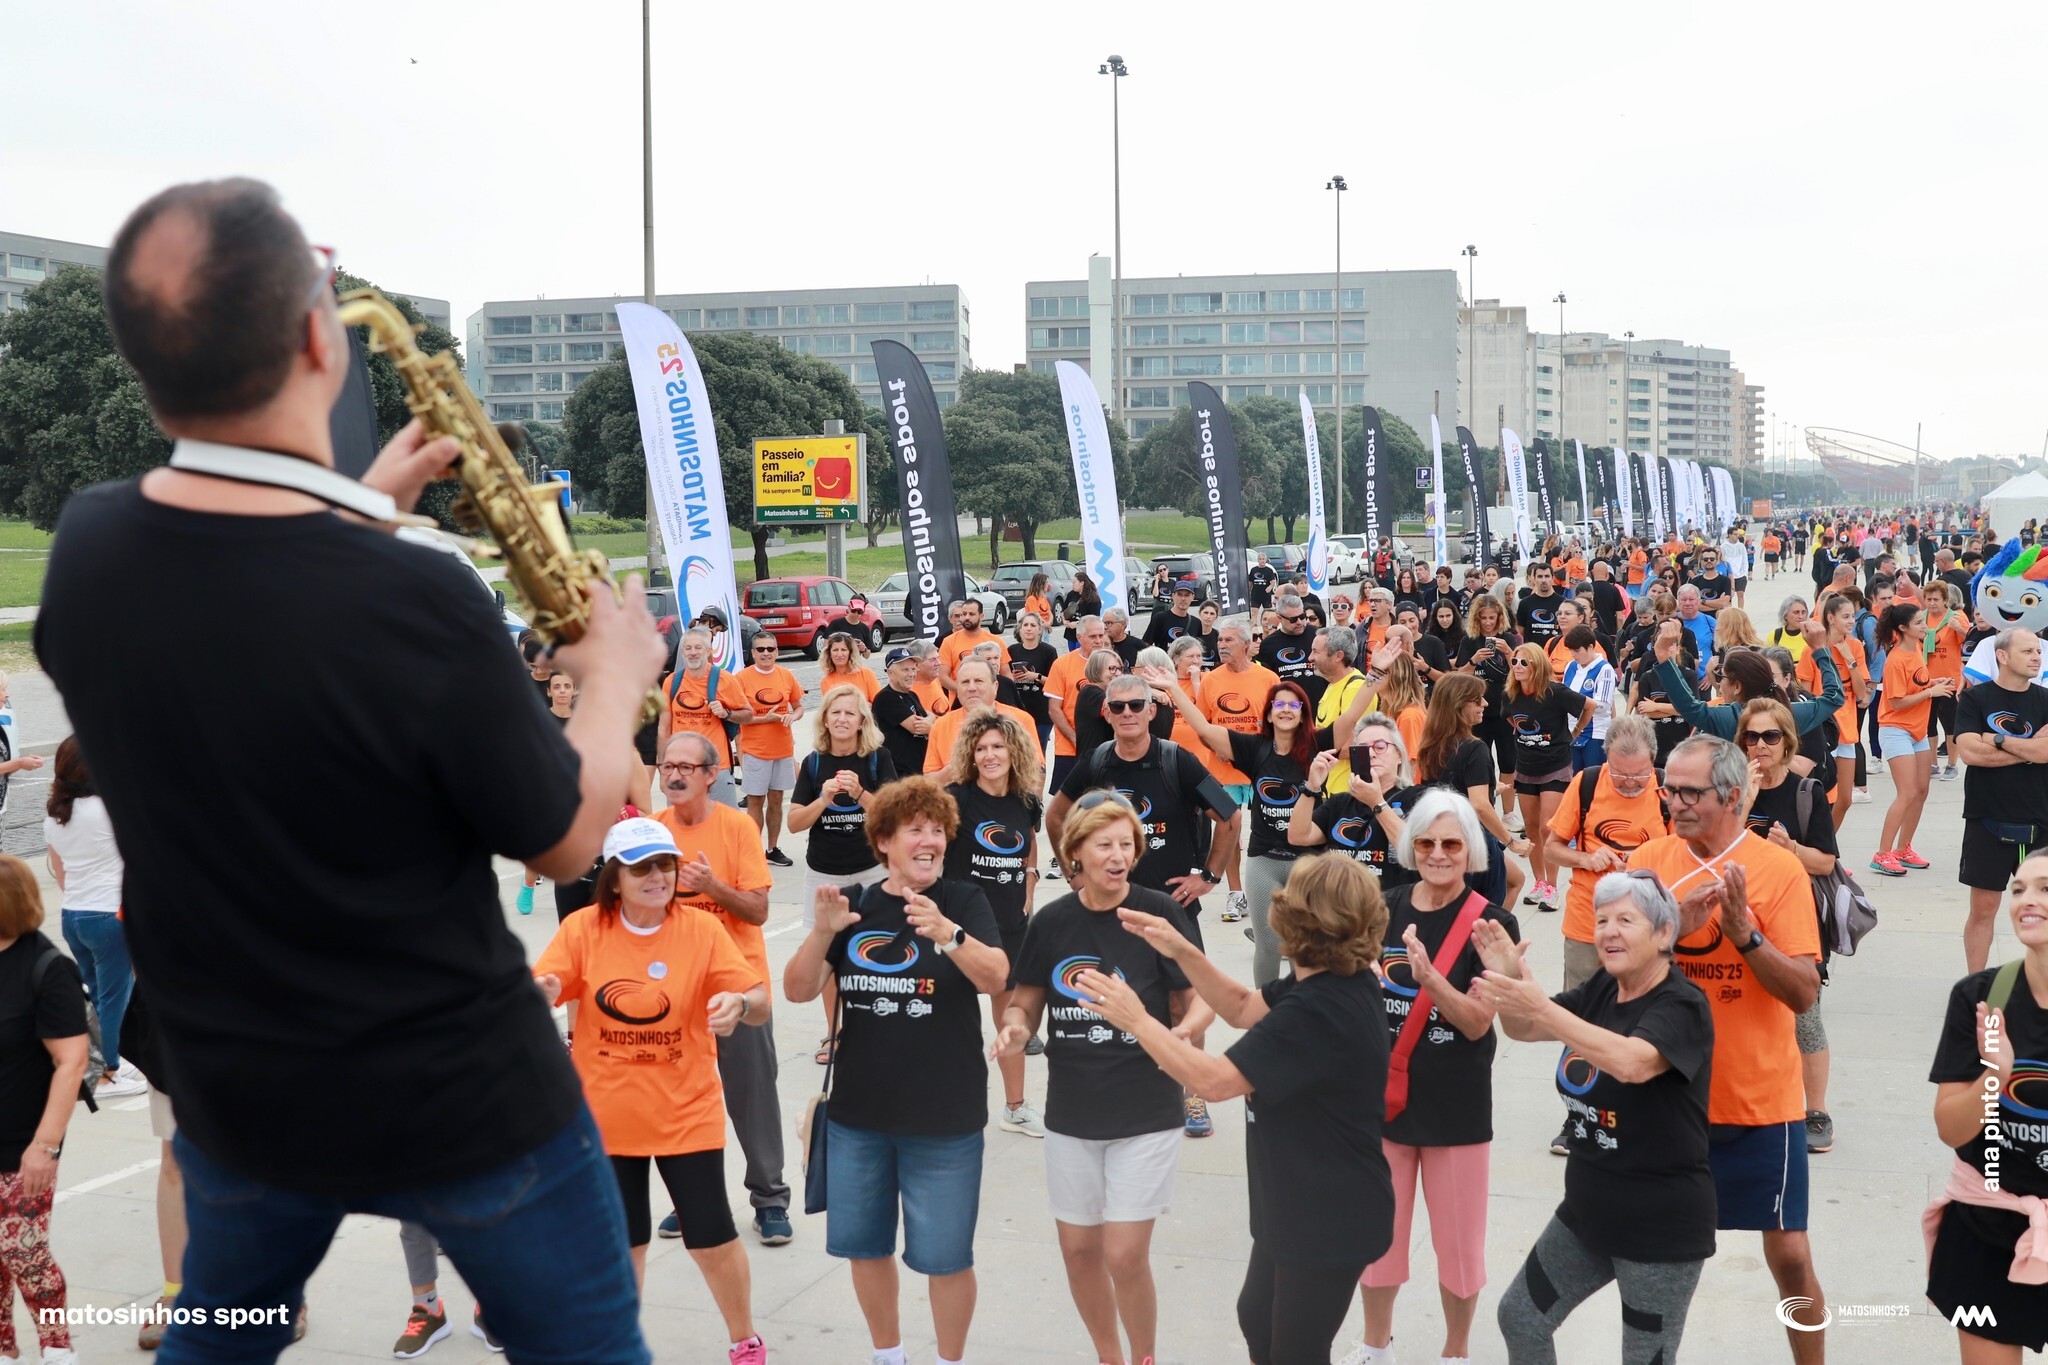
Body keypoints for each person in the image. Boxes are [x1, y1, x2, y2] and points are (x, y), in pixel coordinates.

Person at [38, 178, 664, 1364]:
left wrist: (360, 511)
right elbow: (566, 840)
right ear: (320, 343)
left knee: (217, 1343)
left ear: (145, 365)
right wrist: (614, 675)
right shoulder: (420, 600)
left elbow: (248, 615)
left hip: (237, 1094)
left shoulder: (90, 549)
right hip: (463, 1100)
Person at [1083, 857, 1393, 1365]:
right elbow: (1242, 1007)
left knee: (1295, 1352)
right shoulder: (1326, 978)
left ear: (1300, 919)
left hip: (1328, 1213)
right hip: (1291, 1200)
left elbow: (1213, 1081)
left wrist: (1137, 1020)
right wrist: (1181, 949)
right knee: (1257, 1320)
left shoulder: (1318, 1008)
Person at [783, 779, 1010, 1365]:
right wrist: (823, 931)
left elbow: (996, 977)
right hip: (859, 1118)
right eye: (915, 830)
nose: (930, 840)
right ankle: (889, 1355)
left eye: (937, 830)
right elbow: (798, 989)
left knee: (947, 1257)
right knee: (865, 1248)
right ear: (884, 841)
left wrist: (950, 936)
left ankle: (949, 1361)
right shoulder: (854, 905)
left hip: (945, 1120)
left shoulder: (963, 901)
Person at [533, 820, 769, 1363]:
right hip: (607, 1117)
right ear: (614, 878)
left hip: (686, 1112)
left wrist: (739, 1004)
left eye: (665, 865)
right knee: (625, 1242)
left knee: (711, 1237)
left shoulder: (701, 930)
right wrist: (540, 991)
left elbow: (758, 999)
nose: (658, 876)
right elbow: (546, 984)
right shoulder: (584, 928)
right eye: (642, 868)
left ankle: (745, 1341)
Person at [1625, 736, 1829, 1362]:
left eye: (1690, 793)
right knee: (1656, 1261)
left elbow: (1802, 991)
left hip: (1759, 1103)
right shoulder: (1649, 861)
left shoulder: (1778, 870)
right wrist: (1667, 936)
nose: (1675, 803)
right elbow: (1618, 978)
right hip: (1670, 1102)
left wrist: (1746, 936)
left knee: (1790, 1256)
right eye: (1670, 790)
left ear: (1734, 796)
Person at [1480, 870, 1716, 1365]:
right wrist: (1508, 981)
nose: (1609, 931)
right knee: (1520, 1317)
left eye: (1625, 920)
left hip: (1658, 1227)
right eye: (1602, 919)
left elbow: (1633, 1062)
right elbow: (1523, 1028)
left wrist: (1541, 1006)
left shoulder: (1682, 1004)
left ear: (1664, 934)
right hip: (1587, 1212)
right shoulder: (1604, 989)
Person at [996, 794, 1200, 1365]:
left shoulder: (1157, 912)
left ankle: (1144, 1357)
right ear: (1076, 853)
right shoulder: (1053, 921)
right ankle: (1109, 1357)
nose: (1118, 856)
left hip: (1146, 1109)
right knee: (1080, 1251)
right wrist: (1015, 1027)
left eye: (1126, 845)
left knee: (1124, 1253)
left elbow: (1198, 995)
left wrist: (1186, 1038)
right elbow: (1026, 999)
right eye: (1104, 845)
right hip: (1072, 1112)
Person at [1338, 790, 1516, 1365]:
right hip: (1382, 1103)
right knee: (1377, 1241)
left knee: (1459, 1249)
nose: (1438, 854)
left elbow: (1477, 1023)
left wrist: (1432, 981)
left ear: (1471, 851)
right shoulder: (1381, 906)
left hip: (1455, 1107)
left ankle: (1455, 1353)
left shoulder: (1492, 923)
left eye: (1451, 844)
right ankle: (1376, 1348)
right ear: (1411, 847)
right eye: (1427, 842)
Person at [651, 733, 791, 1247]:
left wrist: (711, 886)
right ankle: (692, 1200)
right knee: (681, 1100)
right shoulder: (654, 832)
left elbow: (758, 910)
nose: (674, 775)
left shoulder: (737, 828)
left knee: (753, 1098)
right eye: (668, 766)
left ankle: (770, 1199)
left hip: (738, 987)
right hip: (674, 992)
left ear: (712, 774)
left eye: (686, 766)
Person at [1926, 851, 2048, 1361]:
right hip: (1987, 1226)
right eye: (2019, 889)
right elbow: (1951, 1130)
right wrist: (1995, 1076)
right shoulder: (1981, 997)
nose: (2027, 900)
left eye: (2044, 888)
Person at [1159, 674, 1316, 988]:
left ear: (1303, 714)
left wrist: (1375, 677)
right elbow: (1205, 730)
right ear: (1268, 714)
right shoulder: (1254, 748)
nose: (1286, 710)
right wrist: (1174, 688)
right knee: (1268, 947)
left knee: (1306, 951)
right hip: (1264, 859)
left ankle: (1304, 1010)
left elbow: (1351, 721)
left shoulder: (1317, 745)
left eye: (1293, 705)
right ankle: (1264, 1011)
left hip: (1309, 863)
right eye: (1279, 705)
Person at [1736, 697, 1844, 1155]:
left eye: (1770, 736)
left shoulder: (1806, 792)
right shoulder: (1730, 789)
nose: (1760, 745)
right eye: (1751, 737)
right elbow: (1711, 848)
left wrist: (1791, 850)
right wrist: (1743, 803)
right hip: (1738, 919)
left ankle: (1816, 1111)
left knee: (1806, 1021)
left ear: (1786, 742)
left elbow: (1826, 861)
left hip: (1795, 921)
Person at [0, 854, 89, 1365]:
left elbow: (71, 1061)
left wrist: (45, 1146)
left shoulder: (48, 968)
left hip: (23, 1142)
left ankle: (57, 1347)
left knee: (24, 1252)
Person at [942, 709, 1048, 1137]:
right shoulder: (957, 798)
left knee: (1011, 1023)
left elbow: (1029, 842)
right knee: (951, 1025)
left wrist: (1030, 881)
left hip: (1010, 927)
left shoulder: (1026, 801)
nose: (989, 755)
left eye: (998, 747)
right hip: (962, 930)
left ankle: (1015, 1108)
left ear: (1013, 751)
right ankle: (943, 1108)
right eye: (981, 748)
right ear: (971, 755)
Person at [42, 736, 147, 1099]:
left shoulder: (56, 815)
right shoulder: (108, 809)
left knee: (96, 998)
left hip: (74, 913)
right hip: (108, 913)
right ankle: (106, 1073)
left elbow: (60, 871)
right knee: (114, 999)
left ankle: (98, 1064)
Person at [1544, 712, 1672, 1004]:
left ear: (1653, 761)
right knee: (1581, 1012)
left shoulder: (1667, 790)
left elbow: (1685, 855)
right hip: (1588, 924)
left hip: (1648, 926)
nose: (1629, 784)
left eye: (1639, 776)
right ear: (1607, 761)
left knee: (1642, 1013)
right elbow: (1551, 848)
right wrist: (1585, 859)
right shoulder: (1586, 783)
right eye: (1619, 775)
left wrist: (1646, 862)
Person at [1954, 629, 2048, 973]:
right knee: (1983, 911)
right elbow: (1969, 753)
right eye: (2027, 651)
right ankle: (1976, 986)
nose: (2037, 657)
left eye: (2038, 651)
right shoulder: (1975, 699)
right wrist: (2030, 751)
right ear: (2003, 656)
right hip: (1987, 819)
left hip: (2040, 820)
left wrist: (1995, 739)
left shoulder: (2045, 699)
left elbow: (2046, 752)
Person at [1189, 622, 1282, 925]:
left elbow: (1280, 721)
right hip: (1222, 772)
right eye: (1220, 640)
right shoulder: (1211, 680)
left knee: (1267, 831)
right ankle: (1236, 893)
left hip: (1260, 769)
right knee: (1228, 830)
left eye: (1229, 640)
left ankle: (1267, 893)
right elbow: (1202, 724)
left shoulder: (1268, 678)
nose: (1222, 645)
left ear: (1246, 644)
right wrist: (1214, 745)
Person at [1506, 644, 1595, 912]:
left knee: (1548, 827)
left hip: (1555, 765)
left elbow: (1589, 706)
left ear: (1537, 665)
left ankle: (1553, 887)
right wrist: (1523, 734)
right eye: (1514, 661)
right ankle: (1540, 882)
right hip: (1526, 766)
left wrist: (1575, 733)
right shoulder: (1510, 694)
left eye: (1524, 662)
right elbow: (1511, 719)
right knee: (1531, 827)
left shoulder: (1555, 692)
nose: (1518, 667)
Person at [1870, 601, 1955, 878]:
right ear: (1903, 628)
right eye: (1919, 623)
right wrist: (1931, 693)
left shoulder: (1916, 647)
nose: (1924, 627)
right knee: (1906, 793)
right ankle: (1882, 854)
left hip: (1917, 730)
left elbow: (1916, 683)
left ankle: (1903, 849)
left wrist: (1934, 682)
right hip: (1896, 729)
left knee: (1921, 791)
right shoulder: (1896, 659)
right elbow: (1896, 702)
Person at [1798, 593, 1869, 830]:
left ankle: (1828, 845)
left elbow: (1861, 694)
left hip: (1847, 731)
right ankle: (1818, 845)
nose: (1851, 621)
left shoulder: (1855, 646)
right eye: (1846, 616)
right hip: (1822, 731)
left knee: (1845, 800)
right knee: (1820, 797)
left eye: (1853, 616)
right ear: (1831, 618)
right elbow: (1805, 694)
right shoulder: (1811, 650)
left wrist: (1850, 661)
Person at [658, 628, 752, 805]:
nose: (693, 652)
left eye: (698, 647)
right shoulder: (672, 681)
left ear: (708, 651)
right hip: (681, 768)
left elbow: (748, 715)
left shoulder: (725, 679)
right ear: (683, 652)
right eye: (688, 648)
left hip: (716, 768)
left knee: (724, 821)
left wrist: (726, 713)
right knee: (681, 821)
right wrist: (664, 770)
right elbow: (664, 729)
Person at [735, 632, 804, 867]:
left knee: (776, 799)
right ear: (753, 653)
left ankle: (772, 849)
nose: (766, 653)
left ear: (777, 651)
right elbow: (738, 717)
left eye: (770, 649)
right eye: (761, 649)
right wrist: (766, 719)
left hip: (783, 749)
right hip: (755, 750)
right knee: (755, 801)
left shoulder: (786, 675)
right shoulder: (742, 678)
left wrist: (793, 717)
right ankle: (753, 850)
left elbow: (798, 706)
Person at [922, 660, 1036, 774]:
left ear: (995, 687)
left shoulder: (1021, 720)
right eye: (965, 682)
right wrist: (959, 767)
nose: (971, 688)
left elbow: (1036, 772)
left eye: (979, 681)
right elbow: (929, 778)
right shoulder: (941, 725)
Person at [1047, 616, 1111, 792]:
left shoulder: (1112, 663)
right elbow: (1054, 709)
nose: (1098, 641)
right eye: (1093, 636)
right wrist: (1076, 739)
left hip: (1105, 747)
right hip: (1069, 748)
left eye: (1101, 635)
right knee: (1069, 802)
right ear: (1079, 637)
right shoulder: (1062, 664)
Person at [1922, 581, 1969, 781]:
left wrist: (1960, 629)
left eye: (1936, 599)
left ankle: (1952, 765)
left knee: (1951, 725)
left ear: (1945, 600)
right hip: (1927, 680)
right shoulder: (1921, 618)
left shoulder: (1956, 618)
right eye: (1928, 599)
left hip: (1950, 681)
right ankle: (1932, 764)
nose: (1932, 603)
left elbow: (1971, 642)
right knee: (1928, 725)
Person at [1559, 626, 1618, 772]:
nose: (1573, 655)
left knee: (1592, 778)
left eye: (1577, 650)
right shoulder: (1570, 666)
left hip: (1594, 734)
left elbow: (1603, 705)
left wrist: (1576, 702)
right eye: (1570, 650)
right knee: (1572, 779)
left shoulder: (1605, 669)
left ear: (1590, 647)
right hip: (1571, 732)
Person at [1008, 610, 1061, 751]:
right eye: (1025, 625)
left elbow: (1055, 683)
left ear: (1040, 630)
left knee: (1038, 752)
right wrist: (1012, 677)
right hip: (1018, 709)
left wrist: (1036, 676)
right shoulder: (1012, 650)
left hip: (1041, 711)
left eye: (1033, 625)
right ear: (1020, 629)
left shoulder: (1048, 651)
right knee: (1018, 752)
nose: (1028, 628)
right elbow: (1004, 680)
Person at [1257, 593, 1319, 698]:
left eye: (1302, 616)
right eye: (1293, 619)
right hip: (1287, 705)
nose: (1299, 622)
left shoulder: (1318, 636)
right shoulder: (1268, 645)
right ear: (1279, 617)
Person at [938, 597, 1003, 676]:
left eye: (971, 614)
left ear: (981, 616)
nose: (967, 617)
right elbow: (942, 676)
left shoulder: (996, 641)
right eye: (964, 614)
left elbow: (1006, 673)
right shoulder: (948, 641)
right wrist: (963, 684)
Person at [820, 630, 881, 704]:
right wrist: (865, 705)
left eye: (844, 650)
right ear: (829, 654)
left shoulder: (866, 674)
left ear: (850, 653)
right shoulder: (826, 682)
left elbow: (879, 704)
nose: (839, 654)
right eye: (835, 650)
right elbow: (835, 707)